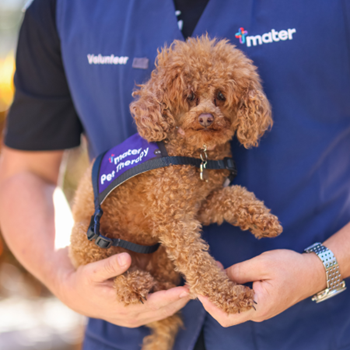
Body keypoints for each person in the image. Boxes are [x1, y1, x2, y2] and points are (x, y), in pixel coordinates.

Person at [0, 0, 350, 349]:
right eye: (193, 99)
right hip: (124, 334)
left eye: (219, 99)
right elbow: (25, 173)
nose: (207, 113)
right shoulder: (63, 8)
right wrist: (63, 279)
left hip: (313, 330)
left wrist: (321, 268)